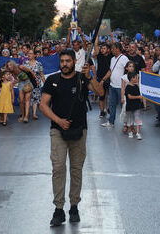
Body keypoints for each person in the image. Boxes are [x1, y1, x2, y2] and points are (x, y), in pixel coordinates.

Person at [39, 50, 105, 227]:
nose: (65, 64)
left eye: (68, 61)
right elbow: (43, 105)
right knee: (58, 167)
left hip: (79, 131)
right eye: (62, 61)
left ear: (75, 61)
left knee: (76, 169)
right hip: (58, 131)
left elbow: (100, 92)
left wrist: (89, 76)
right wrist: (58, 120)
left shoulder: (82, 79)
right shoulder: (52, 80)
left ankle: (74, 206)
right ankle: (58, 209)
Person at [102, 43, 129, 129]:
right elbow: (110, 71)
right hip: (112, 85)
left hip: (121, 87)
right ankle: (111, 121)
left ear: (118, 49)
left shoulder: (124, 58)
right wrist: (103, 80)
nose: (112, 50)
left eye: (113, 48)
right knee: (112, 104)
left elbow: (129, 70)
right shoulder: (112, 59)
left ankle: (126, 124)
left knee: (123, 106)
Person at [123, 71, 143, 139]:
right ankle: (130, 132)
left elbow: (139, 94)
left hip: (136, 105)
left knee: (137, 119)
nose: (137, 79)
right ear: (132, 78)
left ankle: (138, 133)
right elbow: (129, 97)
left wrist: (140, 99)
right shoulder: (128, 87)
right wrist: (138, 97)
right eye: (136, 78)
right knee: (130, 119)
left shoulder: (136, 86)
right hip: (130, 106)